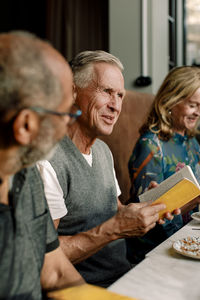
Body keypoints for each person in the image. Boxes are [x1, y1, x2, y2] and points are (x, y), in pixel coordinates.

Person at [37, 50, 177, 288]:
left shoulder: (102, 150)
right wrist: (116, 228)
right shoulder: (47, 160)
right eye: (107, 92)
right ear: (72, 91)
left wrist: (146, 208)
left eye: (120, 95)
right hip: (88, 288)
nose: (116, 106)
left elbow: (114, 212)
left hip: (127, 275)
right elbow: (43, 257)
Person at [0, 31, 85, 300]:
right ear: (26, 125)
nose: (70, 123)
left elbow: (55, 271)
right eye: (66, 114)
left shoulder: (27, 171)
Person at [128, 66, 200, 263]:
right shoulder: (151, 145)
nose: (197, 113)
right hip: (155, 250)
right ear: (171, 101)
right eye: (193, 105)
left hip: (188, 240)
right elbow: (148, 216)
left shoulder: (192, 143)